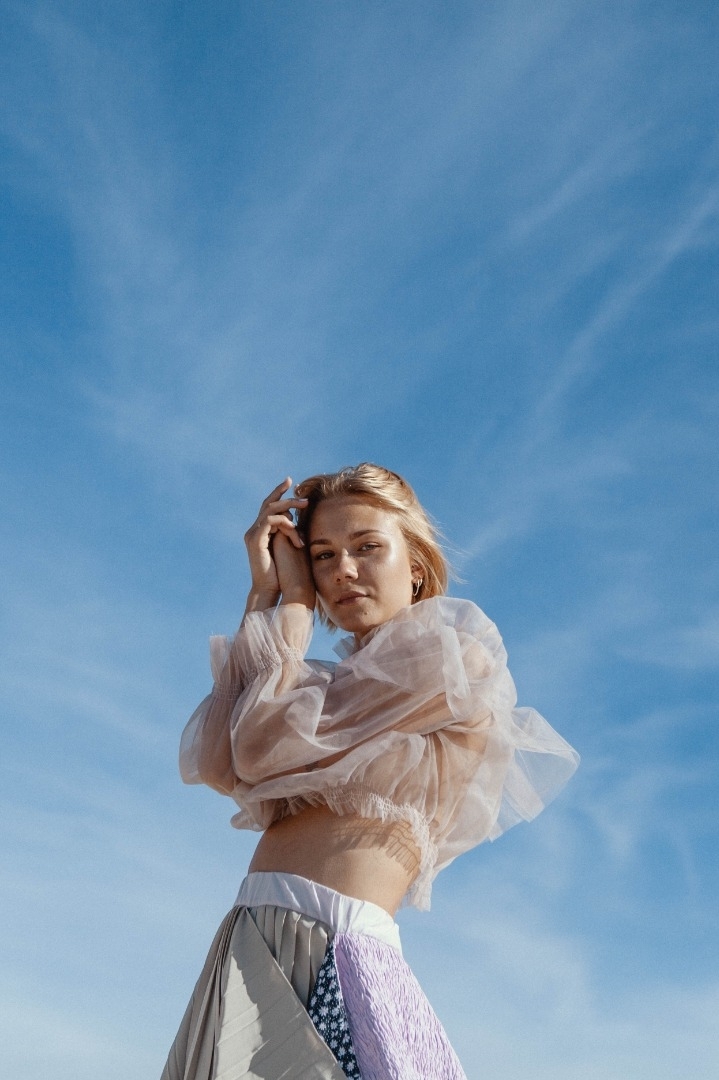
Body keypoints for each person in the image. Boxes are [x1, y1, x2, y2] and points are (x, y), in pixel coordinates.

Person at [162, 464, 579, 1080]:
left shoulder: (450, 658)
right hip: (253, 935)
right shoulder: (323, 691)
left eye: (367, 547)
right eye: (322, 555)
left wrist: (295, 603)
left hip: (333, 952)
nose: (343, 571)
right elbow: (218, 760)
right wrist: (263, 596)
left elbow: (258, 749)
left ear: (416, 566)